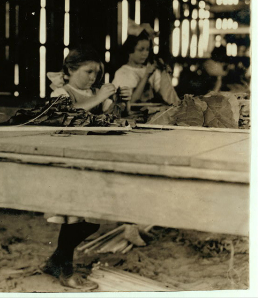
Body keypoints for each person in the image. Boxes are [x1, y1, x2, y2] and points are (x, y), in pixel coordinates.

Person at [42, 45, 131, 290]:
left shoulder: (93, 92)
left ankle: (56, 262)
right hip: (66, 162)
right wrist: (101, 97)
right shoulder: (61, 93)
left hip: (89, 161)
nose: (93, 78)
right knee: (73, 218)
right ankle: (66, 271)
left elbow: (112, 120)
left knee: (84, 219)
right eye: (88, 72)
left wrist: (121, 104)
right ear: (69, 71)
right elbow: (64, 118)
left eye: (97, 73)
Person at [112, 29, 179, 105]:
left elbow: (165, 96)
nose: (145, 53)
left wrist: (166, 74)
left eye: (147, 49)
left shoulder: (150, 70)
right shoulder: (122, 73)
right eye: (141, 50)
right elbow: (131, 101)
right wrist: (146, 76)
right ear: (130, 51)